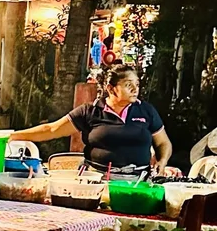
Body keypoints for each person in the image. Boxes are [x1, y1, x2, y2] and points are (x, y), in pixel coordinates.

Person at [11, 63, 175, 175]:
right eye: (128, 84)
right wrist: (11, 136)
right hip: (96, 179)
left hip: (138, 180)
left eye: (137, 84)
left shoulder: (146, 110)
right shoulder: (90, 111)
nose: (135, 89)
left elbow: (163, 143)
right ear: (111, 88)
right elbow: (52, 129)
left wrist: (163, 160)